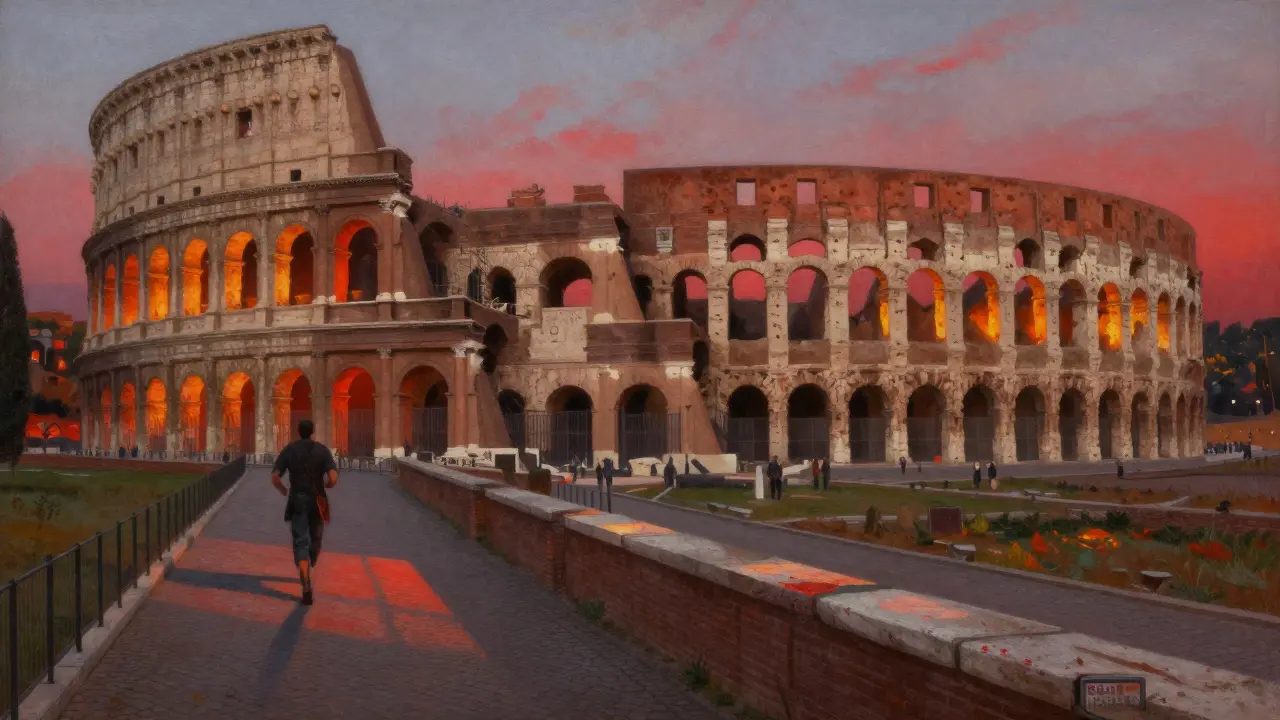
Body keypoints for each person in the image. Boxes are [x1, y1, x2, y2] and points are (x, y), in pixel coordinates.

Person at [271, 419, 338, 606]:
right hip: (317, 499)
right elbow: (333, 477)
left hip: (297, 499)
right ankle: (312, 558)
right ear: (312, 431)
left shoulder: (290, 450)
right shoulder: (322, 450)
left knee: (300, 541)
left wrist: (285, 491)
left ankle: (306, 582)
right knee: (316, 537)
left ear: (298, 431)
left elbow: (275, 478)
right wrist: (328, 484)